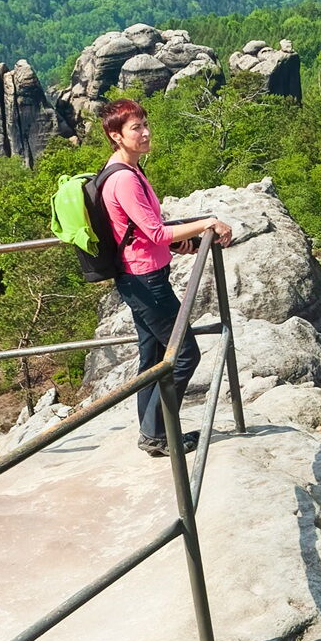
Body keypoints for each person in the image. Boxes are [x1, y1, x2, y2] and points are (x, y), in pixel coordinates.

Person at [97, 98, 232, 457]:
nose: (145, 133)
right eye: (135, 128)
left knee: (153, 358)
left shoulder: (129, 169)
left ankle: (153, 432)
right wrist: (206, 223)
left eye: (145, 124)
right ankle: (156, 435)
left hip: (141, 276)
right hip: (145, 282)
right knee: (184, 354)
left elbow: (142, 231)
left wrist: (177, 243)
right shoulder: (124, 178)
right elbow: (155, 233)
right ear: (115, 135)